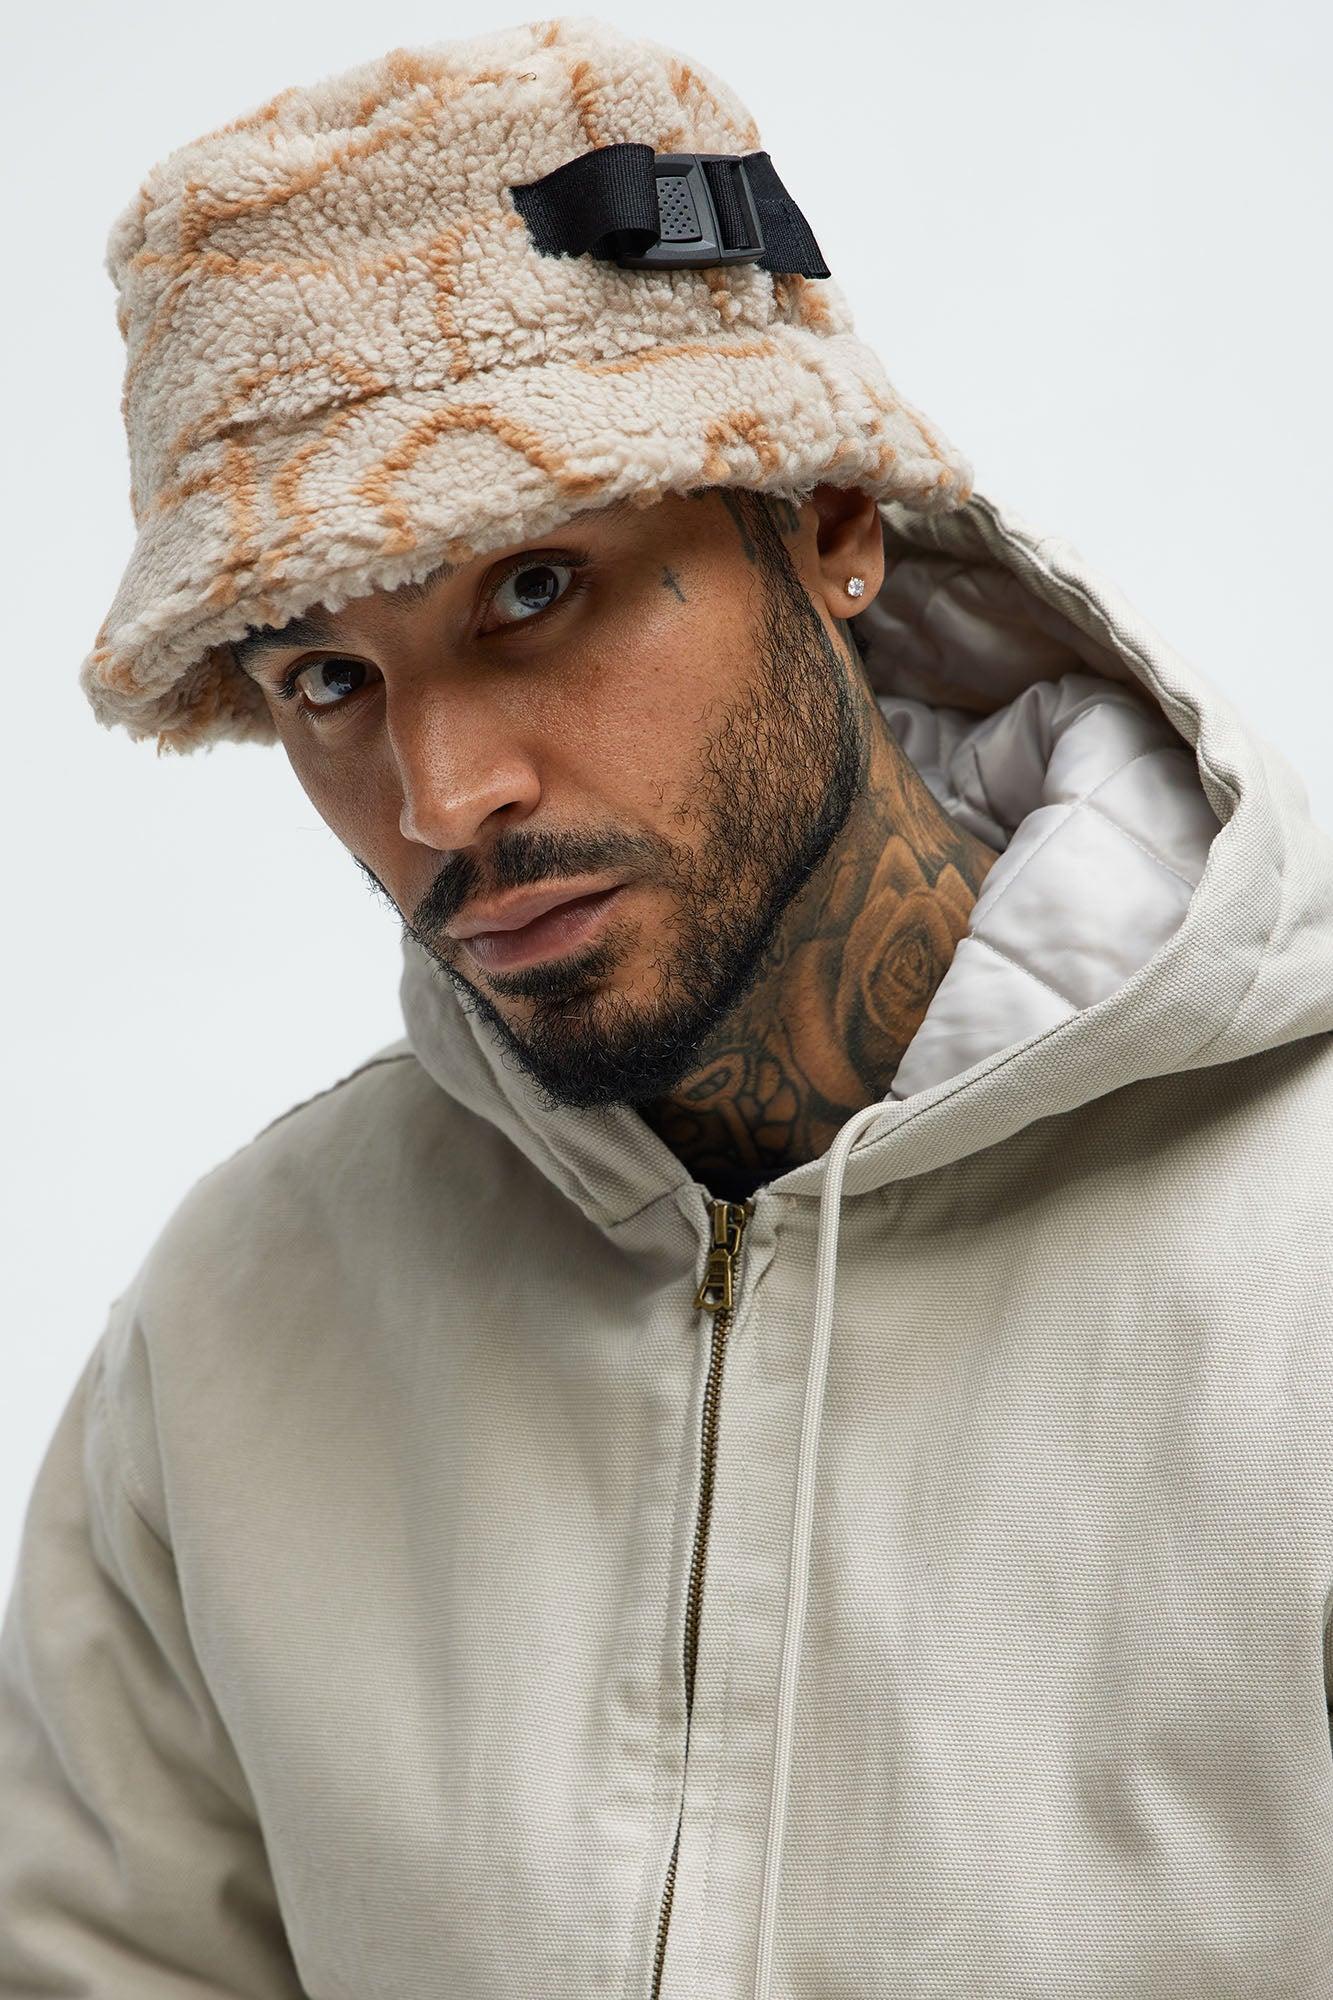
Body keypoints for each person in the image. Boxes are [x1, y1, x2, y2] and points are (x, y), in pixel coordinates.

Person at [3, 17, 1333, 1999]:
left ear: (828, 523)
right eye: (326, 681)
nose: (441, 797)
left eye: (534, 587)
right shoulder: (241, 1323)